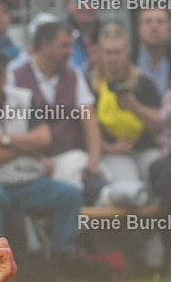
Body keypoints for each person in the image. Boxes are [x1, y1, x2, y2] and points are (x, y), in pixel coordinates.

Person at [0, 50, 83, 278]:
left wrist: (4, 141)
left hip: (29, 181)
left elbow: (44, 139)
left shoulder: (25, 97)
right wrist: (27, 148)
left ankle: (62, 262)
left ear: (5, 77)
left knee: (70, 195)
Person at [9, 21, 102, 191]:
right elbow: (11, 127)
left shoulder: (75, 76)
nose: (70, 52)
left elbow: (89, 120)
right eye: (64, 46)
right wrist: (38, 157)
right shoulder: (14, 76)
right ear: (45, 46)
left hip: (68, 155)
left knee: (79, 171)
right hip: (28, 157)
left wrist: (94, 160)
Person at [91, 24, 163, 195]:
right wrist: (110, 148)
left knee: (161, 177)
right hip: (111, 152)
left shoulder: (144, 82)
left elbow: (160, 125)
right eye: (108, 53)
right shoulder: (89, 85)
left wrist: (136, 107)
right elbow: (83, 128)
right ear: (100, 54)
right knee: (130, 190)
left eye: (118, 52)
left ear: (127, 53)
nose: (113, 58)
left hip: (145, 148)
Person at [135, 6, 171, 98]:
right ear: (139, 30)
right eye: (148, 22)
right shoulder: (128, 62)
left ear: (169, 30)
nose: (154, 27)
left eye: (160, 22)